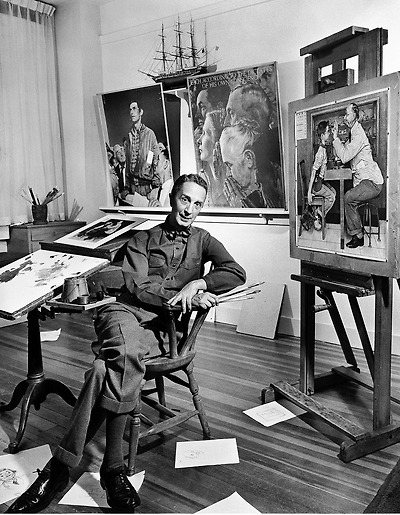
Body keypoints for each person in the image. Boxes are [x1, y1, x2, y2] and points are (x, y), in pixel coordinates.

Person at [7, 174, 246, 514]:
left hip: (162, 330)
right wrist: (180, 294)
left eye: (197, 204)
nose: (189, 209)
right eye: (185, 200)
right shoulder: (143, 238)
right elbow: (137, 287)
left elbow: (236, 272)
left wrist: (201, 284)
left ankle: (60, 469)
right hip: (122, 313)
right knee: (128, 352)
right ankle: (113, 469)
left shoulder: (203, 240)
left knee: (102, 370)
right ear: (172, 198)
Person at [332, 103, 383, 248]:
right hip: (364, 181)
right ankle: (357, 232)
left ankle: (358, 237)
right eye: (345, 114)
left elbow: (344, 156)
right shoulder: (353, 133)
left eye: (347, 114)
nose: (344, 117)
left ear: (356, 115)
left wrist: (335, 139)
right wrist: (340, 145)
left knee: (348, 197)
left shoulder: (358, 134)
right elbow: (345, 154)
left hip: (372, 183)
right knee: (349, 198)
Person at [220, 119, 278, 208]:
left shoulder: (275, 186)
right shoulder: (268, 185)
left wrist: (240, 206)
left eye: (229, 165)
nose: (228, 174)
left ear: (248, 158)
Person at [123, 100, 160, 198]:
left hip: (145, 187)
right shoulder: (129, 135)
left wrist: (155, 187)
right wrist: (126, 187)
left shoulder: (149, 134)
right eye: (130, 109)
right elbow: (127, 162)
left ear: (141, 112)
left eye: (134, 108)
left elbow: (155, 159)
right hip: (132, 187)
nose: (132, 112)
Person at [307, 121, 336, 231]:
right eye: (328, 131)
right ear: (322, 135)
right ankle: (317, 214)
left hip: (320, 181)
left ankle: (317, 212)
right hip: (317, 185)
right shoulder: (320, 152)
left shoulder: (323, 148)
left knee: (334, 191)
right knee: (332, 197)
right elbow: (313, 172)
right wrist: (309, 192)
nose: (329, 133)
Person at [198, 109, 229, 207]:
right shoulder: (203, 179)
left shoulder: (231, 186)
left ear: (218, 140)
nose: (199, 140)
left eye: (206, 133)